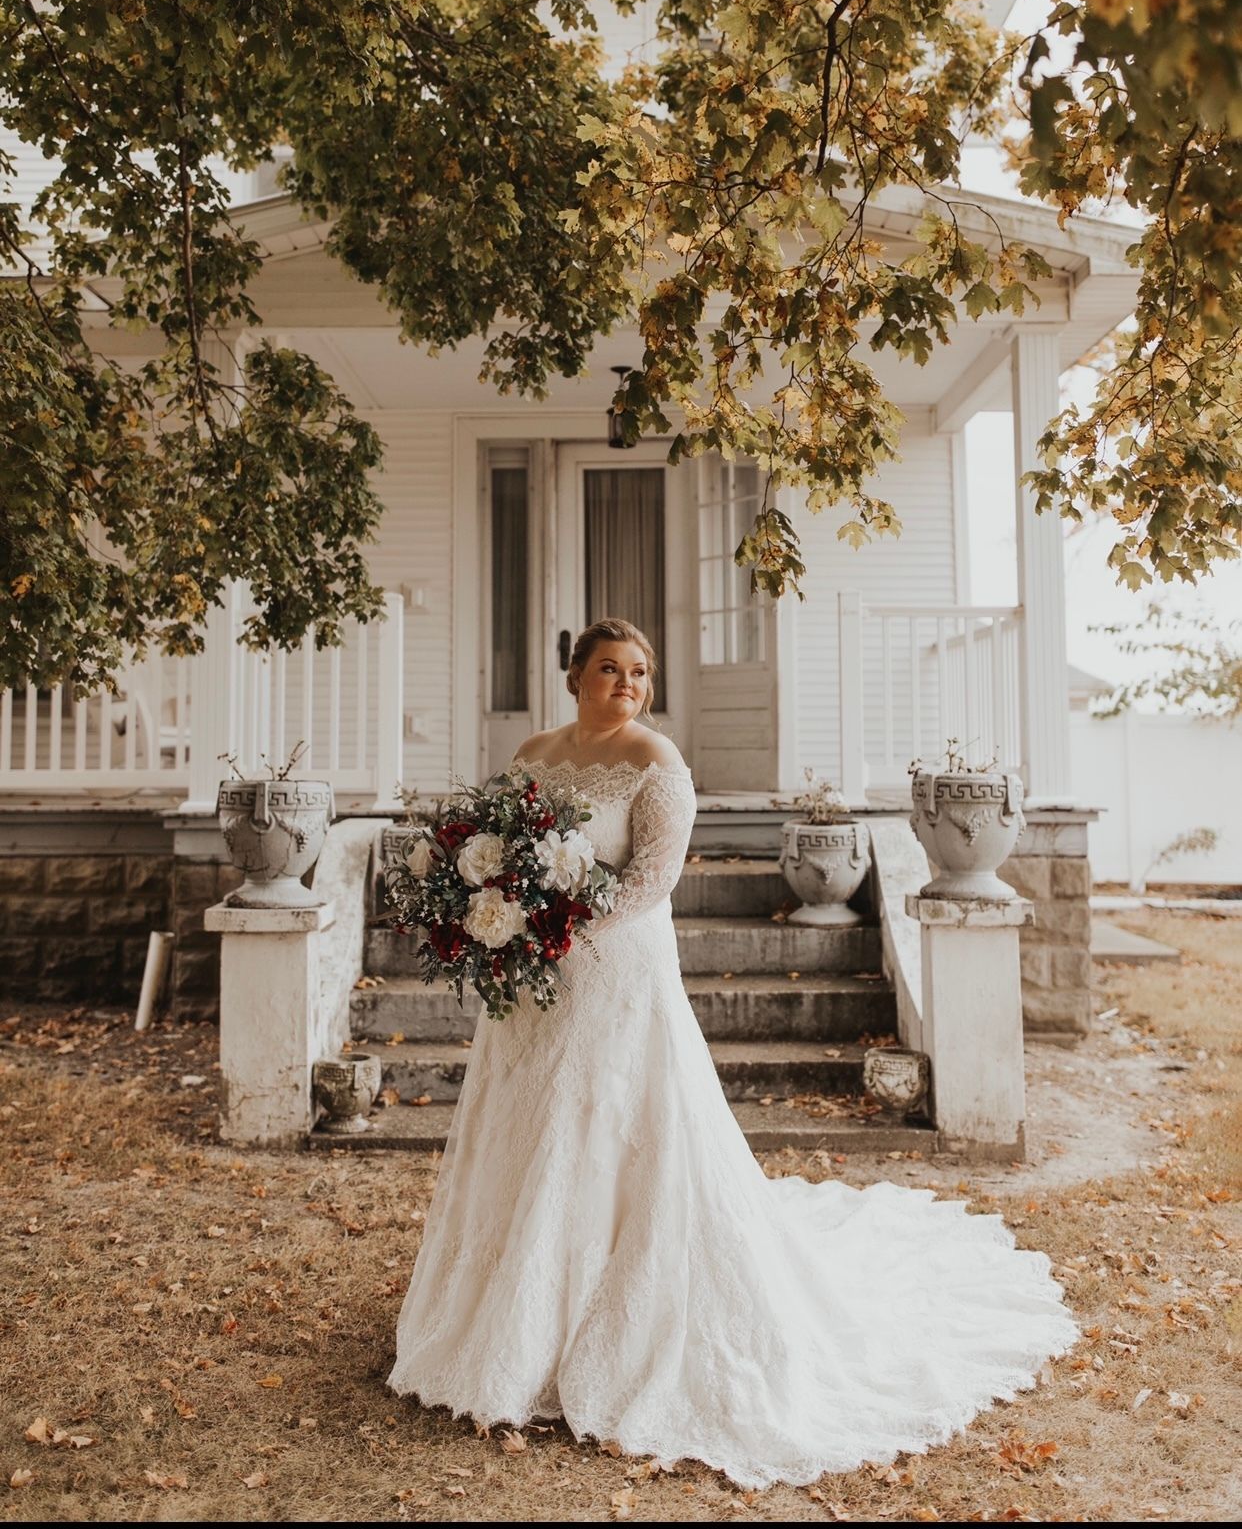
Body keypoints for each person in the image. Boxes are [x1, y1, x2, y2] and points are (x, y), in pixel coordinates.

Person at [387, 617, 1078, 1489]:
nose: (628, 684)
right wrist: (501, 921)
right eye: (610, 669)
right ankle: (508, 1314)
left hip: (612, 973)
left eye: (640, 672)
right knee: (529, 1125)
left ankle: (605, 1316)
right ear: (574, 677)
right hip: (530, 987)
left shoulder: (656, 763)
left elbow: (651, 881)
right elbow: (497, 844)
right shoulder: (533, 751)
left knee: (603, 1128)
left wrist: (552, 928)